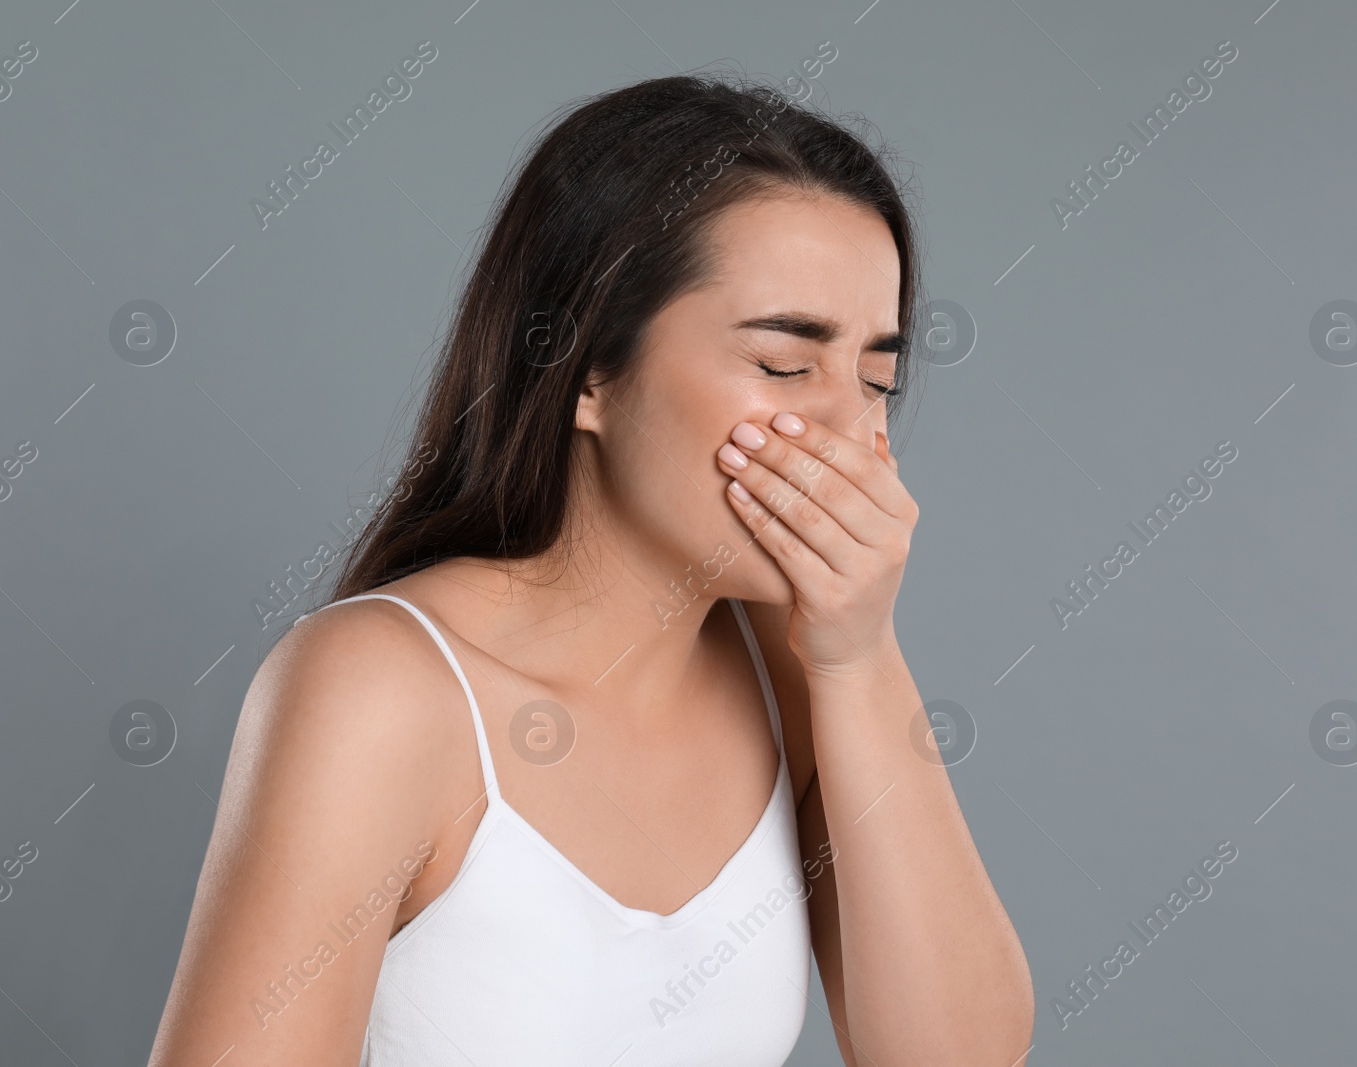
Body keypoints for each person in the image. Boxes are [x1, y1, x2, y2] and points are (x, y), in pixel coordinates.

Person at [148, 72, 1033, 1066]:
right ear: (587, 371)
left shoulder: (798, 672)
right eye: (786, 366)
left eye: (878, 379)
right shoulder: (380, 687)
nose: (851, 434)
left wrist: (859, 654)